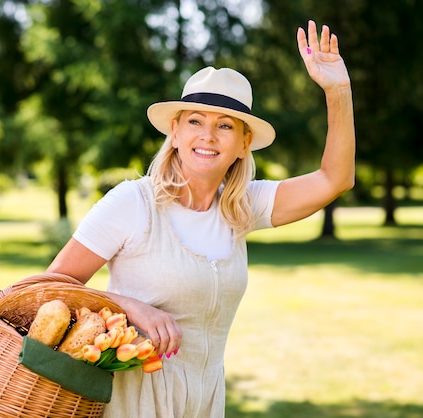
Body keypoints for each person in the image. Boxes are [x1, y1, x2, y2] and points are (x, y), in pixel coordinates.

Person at [46, 20, 355, 418]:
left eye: (225, 126)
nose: (208, 136)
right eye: (195, 121)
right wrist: (128, 306)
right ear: (174, 131)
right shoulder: (132, 203)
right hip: (134, 403)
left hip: (206, 403)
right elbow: (48, 287)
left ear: (244, 144)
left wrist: (338, 91)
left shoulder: (242, 207)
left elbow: (335, 178)